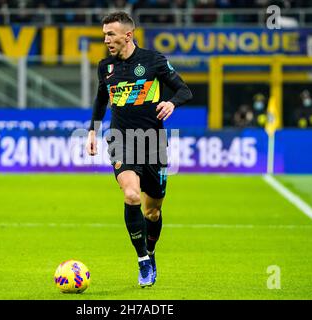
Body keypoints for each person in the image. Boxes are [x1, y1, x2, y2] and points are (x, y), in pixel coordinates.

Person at [85, 11, 192, 287]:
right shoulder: (105, 67)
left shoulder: (153, 61)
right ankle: (143, 260)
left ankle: (151, 250)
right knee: (131, 194)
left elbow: (184, 90)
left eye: (111, 34)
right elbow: (100, 99)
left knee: (152, 211)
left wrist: (172, 103)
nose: (106, 39)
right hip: (121, 139)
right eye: (104, 34)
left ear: (128, 35)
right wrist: (92, 132)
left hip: (153, 142)